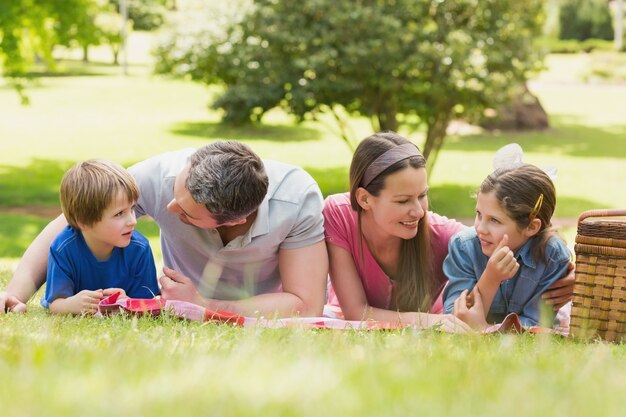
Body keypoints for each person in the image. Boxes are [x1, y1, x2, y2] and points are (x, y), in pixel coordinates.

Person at [1, 141, 328, 317]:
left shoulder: (296, 199)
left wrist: (203, 304)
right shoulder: (160, 175)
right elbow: (70, 225)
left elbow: (306, 304)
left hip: (257, 302)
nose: (169, 208)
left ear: (231, 221)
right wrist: (15, 294)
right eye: (175, 193)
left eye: (184, 213)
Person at [323, 132, 574, 332]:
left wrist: (575, 281)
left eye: (422, 196)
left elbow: (487, 241)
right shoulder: (339, 213)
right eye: (403, 201)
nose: (419, 211)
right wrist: (429, 321)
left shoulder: (444, 235)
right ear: (365, 199)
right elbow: (356, 312)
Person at [443, 164, 570, 329]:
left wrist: (485, 329)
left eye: (494, 220)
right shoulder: (464, 247)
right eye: (479, 214)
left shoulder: (552, 256)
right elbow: (455, 320)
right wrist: (491, 277)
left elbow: (536, 326)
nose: (480, 228)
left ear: (531, 227)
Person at [42, 159, 159, 314]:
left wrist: (127, 302)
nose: (132, 221)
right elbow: (55, 304)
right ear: (84, 222)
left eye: (132, 209)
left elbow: (149, 303)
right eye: (119, 214)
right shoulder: (63, 248)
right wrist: (72, 305)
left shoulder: (140, 249)